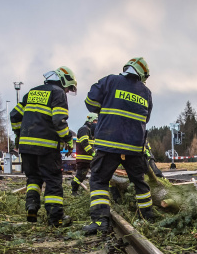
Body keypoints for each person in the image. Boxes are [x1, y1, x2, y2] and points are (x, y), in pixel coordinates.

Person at [82, 57, 154, 235]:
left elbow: (90, 103)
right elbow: (146, 119)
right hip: (134, 147)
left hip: (108, 144)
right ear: (142, 74)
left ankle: (100, 222)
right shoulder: (146, 92)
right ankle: (148, 218)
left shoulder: (110, 81)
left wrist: (107, 106)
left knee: (99, 180)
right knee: (140, 182)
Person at [10, 66, 77, 226]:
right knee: (53, 180)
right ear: (63, 81)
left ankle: (32, 207)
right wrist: (67, 139)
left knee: (33, 178)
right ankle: (56, 218)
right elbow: (59, 120)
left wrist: (20, 136)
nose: (67, 91)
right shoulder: (57, 93)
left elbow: (14, 115)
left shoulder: (32, 92)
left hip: (26, 148)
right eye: (68, 88)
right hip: (46, 147)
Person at [71, 113, 97, 195]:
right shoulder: (84, 130)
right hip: (83, 159)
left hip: (90, 159)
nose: (97, 123)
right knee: (80, 175)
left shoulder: (91, 131)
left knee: (96, 175)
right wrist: (92, 153)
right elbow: (84, 143)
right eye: (95, 121)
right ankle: (74, 190)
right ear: (90, 121)